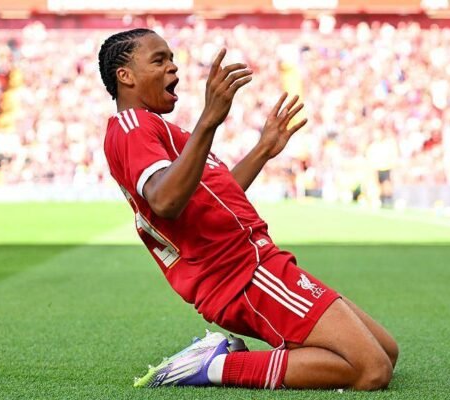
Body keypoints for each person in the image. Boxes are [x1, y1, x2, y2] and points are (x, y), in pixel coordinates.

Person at [98, 28, 398, 391]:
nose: (173, 68)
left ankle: (244, 362)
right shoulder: (131, 126)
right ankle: (214, 367)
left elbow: (217, 196)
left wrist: (262, 150)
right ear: (125, 76)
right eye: (159, 60)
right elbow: (165, 201)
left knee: (386, 351)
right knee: (371, 370)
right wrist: (209, 119)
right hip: (241, 272)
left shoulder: (163, 131)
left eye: (172, 59)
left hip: (254, 264)